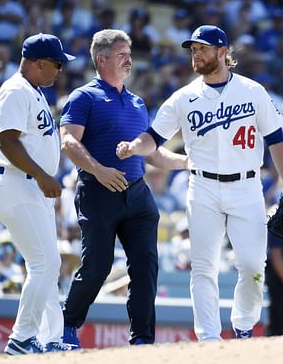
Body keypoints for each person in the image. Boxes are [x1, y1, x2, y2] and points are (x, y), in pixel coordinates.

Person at [116, 25, 283, 342]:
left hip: (247, 186)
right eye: (193, 49)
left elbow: (277, 141)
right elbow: (153, 138)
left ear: (222, 52)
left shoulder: (252, 91)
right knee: (203, 267)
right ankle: (209, 339)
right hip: (202, 187)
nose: (196, 54)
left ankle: (243, 325)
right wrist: (135, 146)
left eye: (203, 48)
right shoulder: (183, 98)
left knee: (254, 266)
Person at [59, 29, 187, 347]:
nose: (129, 58)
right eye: (121, 53)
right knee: (97, 267)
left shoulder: (137, 102)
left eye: (130, 53)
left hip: (138, 193)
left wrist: (187, 162)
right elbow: (68, 141)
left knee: (146, 269)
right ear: (102, 59)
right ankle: (65, 327)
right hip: (98, 191)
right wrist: (100, 171)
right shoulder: (84, 97)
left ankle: (142, 340)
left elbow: (153, 153)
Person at [0, 33, 77, 355]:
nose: (60, 70)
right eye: (56, 64)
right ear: (38, 64)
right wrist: (41, 175)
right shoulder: (14, 91)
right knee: (45, 264)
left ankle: (50, 339)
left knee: (46, 265)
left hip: (30, 186)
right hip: (17, 182)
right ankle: (22, 339)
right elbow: (8, 141)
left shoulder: (33, 91)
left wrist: (41, 177)